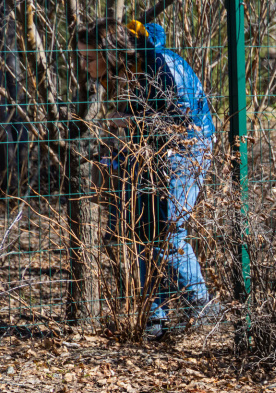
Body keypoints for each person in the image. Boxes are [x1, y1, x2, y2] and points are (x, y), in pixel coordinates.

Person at [79, 17, 219, 338]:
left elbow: (182, 122)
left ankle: (203, 306)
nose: (84, 66)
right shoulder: (121, 73)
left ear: (109, 52)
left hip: (187, 149)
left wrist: (130, 121)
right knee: (144, 229)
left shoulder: (161, 65)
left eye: (88, 58)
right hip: (149, 151)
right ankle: (154, 318)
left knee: (168, 228)